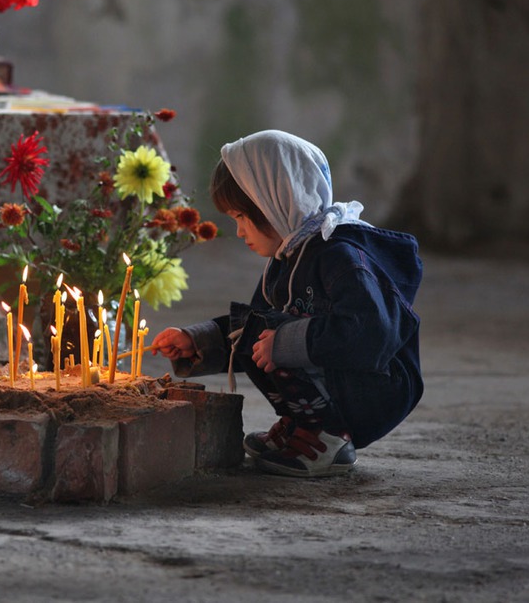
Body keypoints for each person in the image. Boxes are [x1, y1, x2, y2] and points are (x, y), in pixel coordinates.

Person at [151, 130, 423, 477]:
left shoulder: (341, 256)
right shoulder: (289, 256)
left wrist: (288, 342)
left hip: (377, 387)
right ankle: (306, 426)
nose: (238, 232)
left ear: (275, 200)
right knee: (263, 333)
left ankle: (329, 438)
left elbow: (372, 334)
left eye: (241, 217)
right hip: (344, 378)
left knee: (273, 338)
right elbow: (250, 326)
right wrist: (196, 340)